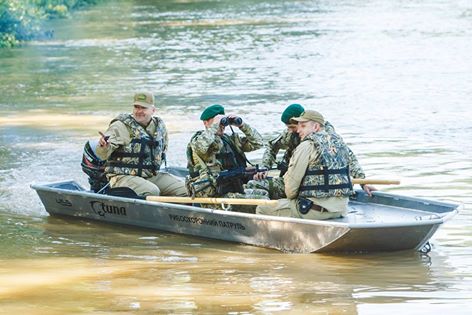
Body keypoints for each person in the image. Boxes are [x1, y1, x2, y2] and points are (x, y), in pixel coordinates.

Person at [256, 110, 367, 220]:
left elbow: (290, 191)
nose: (298, 130)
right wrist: (363, 181)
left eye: (303, 126)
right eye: (298, 126)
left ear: (315, 127)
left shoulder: (306, 145)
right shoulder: (339, 142)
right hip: (341, 210)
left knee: (262, 208)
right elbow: (351, 161)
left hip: (313, 210)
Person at [250, 104, 375, 199]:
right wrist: (264, 168)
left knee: (256, 185)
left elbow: (349, 157)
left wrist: (363, 182)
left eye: (293, 127)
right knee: (259, 182)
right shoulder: (291, 134)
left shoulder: (328, 137)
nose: (291, 131)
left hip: (313, 184)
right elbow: (272, 146)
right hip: (296, 180)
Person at [95, 92, 187, 197]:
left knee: (185, 190)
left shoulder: (159, 127)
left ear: (153, 110)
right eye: (136, 107)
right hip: (122, 176)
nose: (139, 111)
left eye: (143, 108)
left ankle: (172, 212)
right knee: (152, 191)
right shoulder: (120, 126)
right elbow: (102, 154)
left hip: (149, 175)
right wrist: (104, 146)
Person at [186, 104, 268, 211]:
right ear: (205, 123)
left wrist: (242, 125)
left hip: (232, 190)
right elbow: (201, 148)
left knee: (265, 193)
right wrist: (215, 126)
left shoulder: (229, 140)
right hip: (212, 197)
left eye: (222, 122)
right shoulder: (198, 141)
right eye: (218, 121)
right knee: (263, 202)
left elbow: (258, 143)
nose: (222, 126)